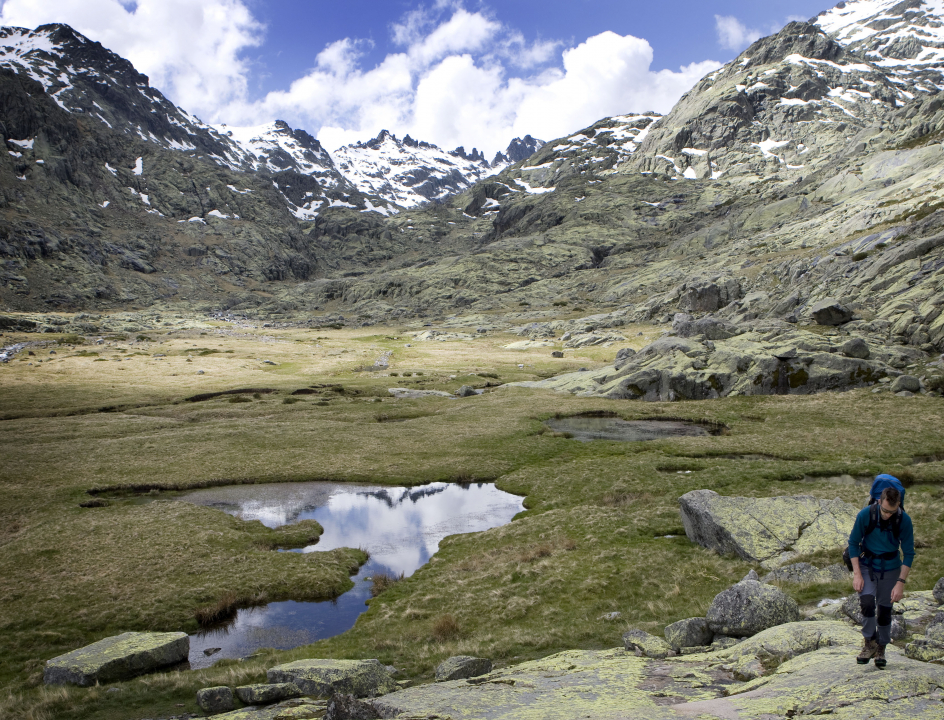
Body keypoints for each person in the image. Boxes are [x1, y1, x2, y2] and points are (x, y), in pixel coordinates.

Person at [848, 485, 914, 668]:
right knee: (867, 603)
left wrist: (900, 582)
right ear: (879, 501)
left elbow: (909, 553)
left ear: (898, 505)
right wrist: (857, 575)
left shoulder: (903, 520)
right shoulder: (865, 515)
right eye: (884, 510)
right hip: (867, 565)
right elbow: (853, 544)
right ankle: (869, 642)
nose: (887, 515)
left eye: (891, 511)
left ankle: (881, 648)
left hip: (891, 568)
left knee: (884, 611)